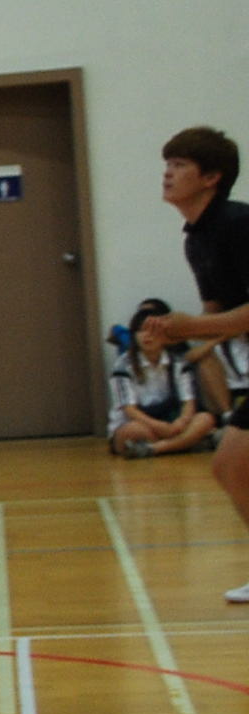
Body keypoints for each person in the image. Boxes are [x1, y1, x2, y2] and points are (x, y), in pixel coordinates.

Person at [143, 126, 249, 604]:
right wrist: (176, 333)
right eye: (168, 164)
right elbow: (216, 315)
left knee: (233, 462)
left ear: (211, 177)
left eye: (180, 165)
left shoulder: (238, 225)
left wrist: (195, 326)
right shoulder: (196, 239)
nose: (168, 173)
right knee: (229, 466)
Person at [111, 300, 216, 457]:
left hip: (171, 423)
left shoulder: (178, 362)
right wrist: (159, 427)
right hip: (140, 423)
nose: (147, 335)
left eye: (152, 330)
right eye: (141, 331)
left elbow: (189, 402)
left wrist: (181, 422)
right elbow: (130, 410)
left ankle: (156, 448)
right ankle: (184, 443)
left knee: (205, 419)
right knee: (134, 431)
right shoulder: (123, 365)